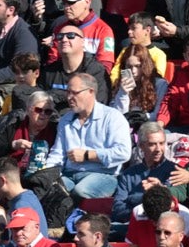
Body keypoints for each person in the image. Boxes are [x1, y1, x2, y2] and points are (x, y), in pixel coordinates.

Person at [46, 72, 133, 202]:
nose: (69, 97)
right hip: (69, 174)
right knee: (50, 189)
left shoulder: (112, 117)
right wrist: (46, 175)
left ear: (91, 92)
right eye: (68, 92)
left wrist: (88, 155)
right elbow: (57, 154)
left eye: (74, 93)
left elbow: (123, 153)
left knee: (81, 191)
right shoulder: (65, 120)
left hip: (103, 174)